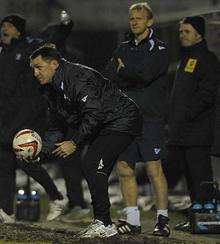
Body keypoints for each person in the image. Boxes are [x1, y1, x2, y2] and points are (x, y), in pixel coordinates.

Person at [29, 46, 142, 239]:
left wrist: (74, 142)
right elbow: (56, 126)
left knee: (91, 163)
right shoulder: (50, 88)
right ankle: (103, 221)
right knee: (93, 165)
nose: (35, 72)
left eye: (38, 67)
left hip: (121, 119)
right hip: (103, 123)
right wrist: (40, 149)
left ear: (54, 64)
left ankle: (104, 223)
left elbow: (94, 112)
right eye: (33, 68)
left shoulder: (78, 77)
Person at [104, 2, 170, 236]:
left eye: (139, 18)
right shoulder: (122, 48)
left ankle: (162, 220)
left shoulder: (160, 49)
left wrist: (125, 71)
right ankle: (133, 220)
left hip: (150, 118)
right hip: (125, 118)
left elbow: (146, 75)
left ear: (149, 21)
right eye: (132, 18)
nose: (134, 22)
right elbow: (111, 76)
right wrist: (125, 72)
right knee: (124, 168)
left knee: (154, 169)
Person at [0, 12, 73, 222]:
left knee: (25, 159)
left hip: (27, 112)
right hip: (6, 114)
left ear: (19, 29)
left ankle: (56, 197)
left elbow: (52, 44)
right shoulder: (2, 51)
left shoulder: (30, 46)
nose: (4, 29)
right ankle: (6, 211)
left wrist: (65, 26)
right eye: (2, 25)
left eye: (8, 26)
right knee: (4, 162)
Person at [167, 16, 219, 230]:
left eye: (186, 31)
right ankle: (196, 220)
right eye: (180, 32)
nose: (182, 35)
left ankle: (208, 222)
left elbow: (207, 95)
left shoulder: (207, 59)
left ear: (198, 34)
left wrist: (186, 114)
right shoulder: (186, 58)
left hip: (198, 130)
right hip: (184, 131)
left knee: (200, 176)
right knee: (190, 176)